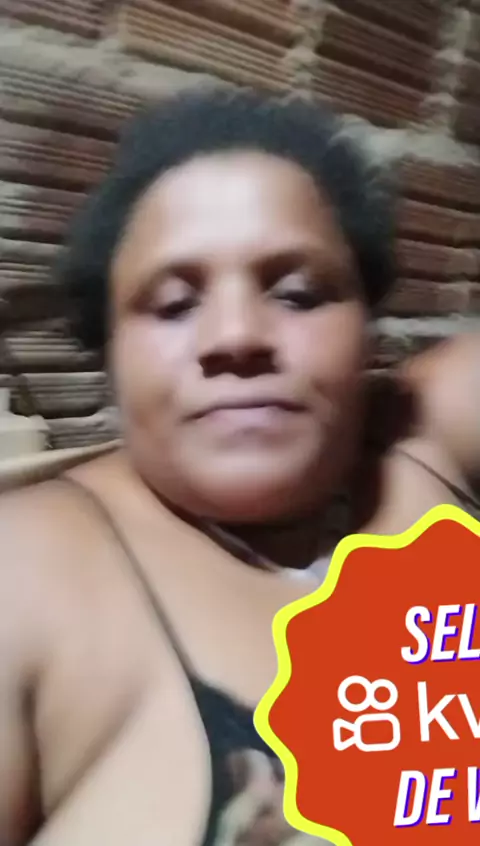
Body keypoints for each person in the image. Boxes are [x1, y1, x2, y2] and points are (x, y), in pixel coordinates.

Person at [0, 87, 478, 846]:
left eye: (299, 294)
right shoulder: (30, 568)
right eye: (172, 304)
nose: (236, 336)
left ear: (367, 329)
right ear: (110, 354)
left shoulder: (423, 444)